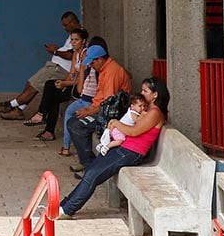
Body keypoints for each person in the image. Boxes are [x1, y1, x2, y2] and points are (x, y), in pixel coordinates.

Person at [60, 77, 169, 218]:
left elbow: (134, 132)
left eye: (145, 91)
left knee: (93, 175)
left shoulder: (155, 113)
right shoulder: (147, 110)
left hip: (130, 152)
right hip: (123, 148)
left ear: (155, 94)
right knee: (91, 171)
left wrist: (116, 123)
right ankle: (65, 205)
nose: (141, 93)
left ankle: (67, 209)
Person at [0, 11, 81, 119]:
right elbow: (69, 51)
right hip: (55, 66)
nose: (64, 28)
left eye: (66, 25)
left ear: (73, 22)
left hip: (59, 69)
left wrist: (55, 52)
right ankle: (18, 110)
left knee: (34, 86)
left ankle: (9, 105)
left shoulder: (80, 35)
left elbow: (71, 55)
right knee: (30, 84)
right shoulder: (73, 34)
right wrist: (58, 50)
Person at [68, 43, 132, 170]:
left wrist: (88, 112)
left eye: (92, 63)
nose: (91, 66)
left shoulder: (111, 72)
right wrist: (89, 109)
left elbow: (109, 104)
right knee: (73, 122)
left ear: (101, 59)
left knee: (76, 125)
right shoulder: (104, 69)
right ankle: (87, 163)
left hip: (112, 115)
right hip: (102, 110)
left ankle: (89, 165)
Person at [26, 27, 88, 142]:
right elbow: (71, 73)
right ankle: (43, 120)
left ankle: (44, 121)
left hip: (82, 88)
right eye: (72, 40)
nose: (73, 43)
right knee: (51, 85)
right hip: (72, 84)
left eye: (76, 40)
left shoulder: (85, 55)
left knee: (53, 95)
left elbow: (83, 80)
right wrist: (64, 84)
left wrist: (65, 83)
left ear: (83, 41)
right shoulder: (76, 53)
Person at [58, 35, 105, 156]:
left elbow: (79, 89)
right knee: (70, 112)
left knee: (72, 117)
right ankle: (66, 146)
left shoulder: (93, 69)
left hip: (89, 102)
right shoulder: (101, 68)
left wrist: (83, 68)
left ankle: (67, 147)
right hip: (90, 101)